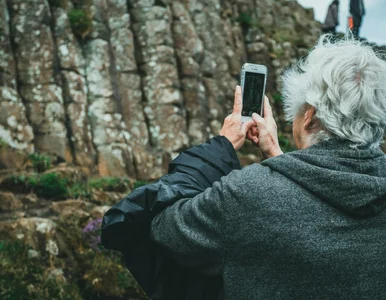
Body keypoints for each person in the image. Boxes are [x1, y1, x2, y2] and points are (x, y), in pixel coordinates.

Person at [148, 35, 386, 299]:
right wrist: (277, 157)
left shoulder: (249, 194)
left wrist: (219, 149)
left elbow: (166, 229)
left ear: (309, 117)